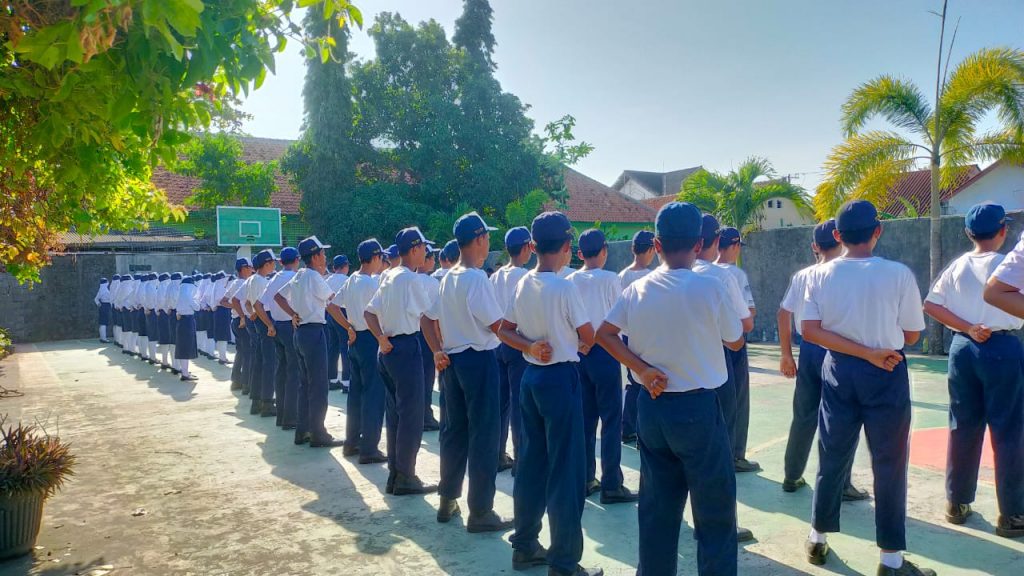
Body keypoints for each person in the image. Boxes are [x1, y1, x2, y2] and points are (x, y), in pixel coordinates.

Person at [597, 201, 742, 576]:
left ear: (657, 245)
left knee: (657, 510)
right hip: (698, 409)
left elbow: (605, 334)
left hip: (653, 406)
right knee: (715, 512)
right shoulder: (711, 286)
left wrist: (643, 370)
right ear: (699, 244)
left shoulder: (637, 289)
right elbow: (735, 339)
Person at [802, 200, 934, 576]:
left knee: (832, 455)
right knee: (889, 463)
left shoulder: (819, 275)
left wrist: (859, 351)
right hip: (886, 370)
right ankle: (890, 560)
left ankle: (817, 539)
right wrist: (874, 351)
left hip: (839, 371)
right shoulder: (898, 274)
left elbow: (810, 331)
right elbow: (912, 334)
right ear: (878, 231)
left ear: (837, 235)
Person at [497, 211, 601, 576]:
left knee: (531, 465)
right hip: (560, 380)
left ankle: (525, 545)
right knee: (566, 472)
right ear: (568, 246)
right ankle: (564, 562)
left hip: (531, 379)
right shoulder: (564, 287)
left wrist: (529, 346)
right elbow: (588, 335)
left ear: (533, 246)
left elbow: (504, 331)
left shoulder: (523, 283)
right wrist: (573, 342)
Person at [923, 203, 1023, 539]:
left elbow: (931, 304)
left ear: (968, 233)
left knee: (962, 425)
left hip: (963, 349)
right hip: (1003, 347)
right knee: (1009, 431)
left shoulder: (957, 265)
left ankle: (957, 502)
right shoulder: (1007, 265)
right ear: (1003, 231)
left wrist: (967, 327)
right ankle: (1012, 513)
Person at [422, 212, 512, 533]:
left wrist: (437, 350)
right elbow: (497, 326)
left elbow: (426, 319)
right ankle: (481, 511)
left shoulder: (447, 278)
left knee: (454, 433)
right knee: (484, 435)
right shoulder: (476, 279)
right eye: (487, 237)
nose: (488, 243)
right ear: (480, 239)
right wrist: (528, 342)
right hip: (479, 361)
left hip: (453, 363)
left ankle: (447, 500)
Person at [778, 220, 868, 501]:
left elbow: (783, 313)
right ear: (841, 240)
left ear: (815, 246)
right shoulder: (848, 273)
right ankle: (841, 484)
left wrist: (785, 354)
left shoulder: (803, 275)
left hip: (809, 350)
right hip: (840, 350)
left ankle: (792, 475)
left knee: (804, 415)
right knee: (842, 418)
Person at [365, 227, 438, 496]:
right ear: (415, 249)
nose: (426, 254)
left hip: (388, 351)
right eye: (424, 249)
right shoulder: (411, 279)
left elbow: (369, 313)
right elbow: (429, 316)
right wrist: (439, 348)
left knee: (395, 415)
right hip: (406, 348)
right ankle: (406, 476)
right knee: (412, 416)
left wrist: (380, 338)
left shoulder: (389, 275)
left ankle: (395, 475)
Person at [567, 229, 637, 504]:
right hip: (605, 353)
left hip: (579, 352)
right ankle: (611, 483)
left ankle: (587, 478)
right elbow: (619, 319)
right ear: (605, 251)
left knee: (586, 420)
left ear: (580, 253)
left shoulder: (570, 280)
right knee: (611, 419)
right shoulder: (610, 279)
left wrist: (581, 342)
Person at [693, 215, 757, 472]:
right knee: (731, 405)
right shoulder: (726, 275)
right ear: (718, 240)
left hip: (690, 348)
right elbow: (746, 323)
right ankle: (731, 457)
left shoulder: (678, 273)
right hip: (725, 347)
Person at [275, 236, 348, 448]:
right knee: (318, 386)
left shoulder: (299, 274)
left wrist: (293, 314)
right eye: (322, 253)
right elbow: (332, 300)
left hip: (300, 332)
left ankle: (303, 430)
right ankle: (318, 433)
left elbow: (279, 297)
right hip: (314, 331)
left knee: (305, 384)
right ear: (315, 257)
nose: (325, 257)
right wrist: (348, 325)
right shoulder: (314, 277)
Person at [334, 239, 389, 463]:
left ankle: (352, 442)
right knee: (374, 395)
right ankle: (369, 448)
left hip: (355, 338)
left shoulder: (351, 280)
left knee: (355, 396)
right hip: (370, 339)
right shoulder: (372, 283)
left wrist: (348, 326)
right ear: (375, 258)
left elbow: (332, 305)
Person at [490, 226, 532, 472]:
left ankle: (497, 454)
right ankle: (521, 459)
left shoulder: (496, 276)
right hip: (518, 343)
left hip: (498, 343)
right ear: (526, 248)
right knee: (519, 404)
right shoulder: (525, 276)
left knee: (500, 403)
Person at [716, 227, 757, 468]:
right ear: (733, 246)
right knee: (737, 401)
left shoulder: (696, 270)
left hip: (706, 343)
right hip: (733, 343)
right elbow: (748, 317)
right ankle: (735, 454)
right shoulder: (735, 275)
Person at [619, 230, 656, 444]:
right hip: (646, 336)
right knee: (645, 382)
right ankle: (641, 431)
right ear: (650, 250)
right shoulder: (651, 277)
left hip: (627, 336)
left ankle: (628, 427)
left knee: (633, 381)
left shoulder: (622, 276)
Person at [259, 247, 301, 429]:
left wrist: (269, 324)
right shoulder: (296, 278)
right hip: (291, 326)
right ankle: (291, 417)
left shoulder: (274, 279)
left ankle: (282, 415)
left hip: (277, 326)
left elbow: (258, 305)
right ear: (297, 260)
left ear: (281, 262)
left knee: (281, 371)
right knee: (294, 372)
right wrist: (293, 314)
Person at [246, 249, 278, 416]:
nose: (274, 265)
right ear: (266, 264)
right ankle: (267, 402)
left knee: (259, 361)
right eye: (272, 262)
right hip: (265, 320)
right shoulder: (262, 281)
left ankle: (256, 401)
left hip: (258, 320)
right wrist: (270, 325)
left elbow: (247, 303)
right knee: (269, 363)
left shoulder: (253, 279)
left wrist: (252, 313)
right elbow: (260, 305)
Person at [416, 250, 443, 432]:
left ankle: (418, 415)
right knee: (426, 377)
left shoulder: (409, 279)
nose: (434, 262)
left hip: (410, 333)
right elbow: (435, 316)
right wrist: (439, 339)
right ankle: (425, 416)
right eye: (432, 258)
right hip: (426, 333)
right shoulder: (432, 283)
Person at [227, 258, 254, 392]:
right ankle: (246, 384)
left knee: (241, 352)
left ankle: (236, 381)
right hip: (243, 321)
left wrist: (237, 310)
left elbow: (224, 301)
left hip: (235, 320)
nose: (252, 270)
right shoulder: (245, 283)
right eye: (249, 267)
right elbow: (234, 301)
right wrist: (242, 315)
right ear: (243, 269)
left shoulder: (234, 283)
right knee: (248, 353)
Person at [326, 255, 352, 392]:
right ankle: (346, 381)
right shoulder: (347, 280)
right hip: (342, 312)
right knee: (345, 347)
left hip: (329, 313)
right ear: (345, 266)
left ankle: (332, 378)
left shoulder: (328, 280)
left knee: (333, 347)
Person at [175, 274, 201, 381]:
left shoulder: (179, 293)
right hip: (188, 321)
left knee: (182, 347)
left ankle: (184, 371)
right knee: (186, 347)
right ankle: (185, 374)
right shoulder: (188, 296)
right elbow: (197, 307)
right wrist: (197, 300)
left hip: (181, 320)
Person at [94, 277, 111, 343]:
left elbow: (96, 299)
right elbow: (111, 299)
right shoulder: (106, 291)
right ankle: (104, 339)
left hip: (102, 306)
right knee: (104, 323)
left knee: (101, 323)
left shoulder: (100, 290)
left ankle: (102, 338)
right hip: (106, 306)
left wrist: (99, 304)